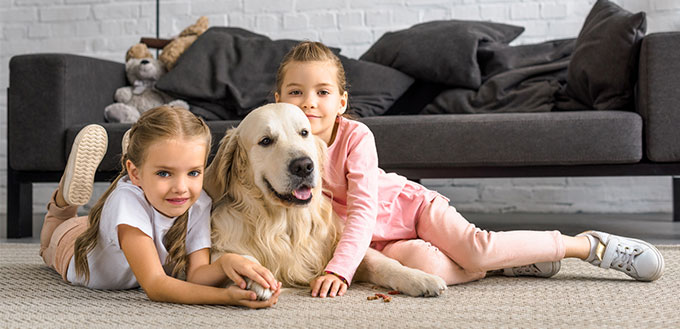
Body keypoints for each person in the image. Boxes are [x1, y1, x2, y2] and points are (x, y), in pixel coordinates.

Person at [274, 41, 665, 298]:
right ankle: (507, 264)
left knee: (478, 249)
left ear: (341, 101)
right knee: (427, 268)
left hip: (410, 211)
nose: (310, 102)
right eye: (296, 92)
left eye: (322, 92)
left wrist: (340, 271)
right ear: (277, 100)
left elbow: (361, 210)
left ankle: (586, 246)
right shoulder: (281, 151)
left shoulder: (356, 137)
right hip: (378, 241)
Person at [39, 105, 282, 307]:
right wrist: (224, 297)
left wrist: (228, 262)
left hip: (118, 230)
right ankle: (64, 202)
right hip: (73, 245)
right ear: (134, 174)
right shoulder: (127, 202)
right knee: (49, 239)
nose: (181, 187)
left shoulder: (199, 203)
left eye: (194, 172)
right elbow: (155, 284)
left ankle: (146, 162)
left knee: (109, 219)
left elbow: (197, 275)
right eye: (165, 173)